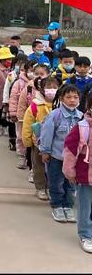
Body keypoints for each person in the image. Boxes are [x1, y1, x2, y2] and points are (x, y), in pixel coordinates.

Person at [40, 84, 82, 222]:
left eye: (75, 97)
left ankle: (68, 206)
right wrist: (45, 151)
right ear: (62, 98)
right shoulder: (55, 115)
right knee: (56, 182)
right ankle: (57, 206)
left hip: (73, 159)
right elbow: (46, 134)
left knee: (71, 183)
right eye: (68, 97)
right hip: (57, 156)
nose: (72, 100)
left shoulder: (81, 117)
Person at [62, 92, 92, 253]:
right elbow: (70, 151)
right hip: (85, 176)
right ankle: (86, 235)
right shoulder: (82, 127)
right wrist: (70, 172)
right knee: (85, 207)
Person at [22, 76, 60, 200]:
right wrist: (27, 141)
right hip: (38, 143)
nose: (52, 90)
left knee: (53, 167)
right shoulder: (35, 106)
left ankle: (50, 187)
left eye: (55, 87)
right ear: (42, 89)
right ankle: (40, 187)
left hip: (56, 143)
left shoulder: (61, 104)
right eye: (49, 87)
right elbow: (28, 123)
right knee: (38, 166)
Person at [9, 60, 35, 169]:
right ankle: (22, 156)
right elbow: (15, 99)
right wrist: (15, 113)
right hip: (23, 117)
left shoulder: (43, 86)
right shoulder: (19, 83)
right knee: (21, 137)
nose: (34, 74)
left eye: (38, 72)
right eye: (32, 71)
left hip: (36, 118)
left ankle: (32, 162)